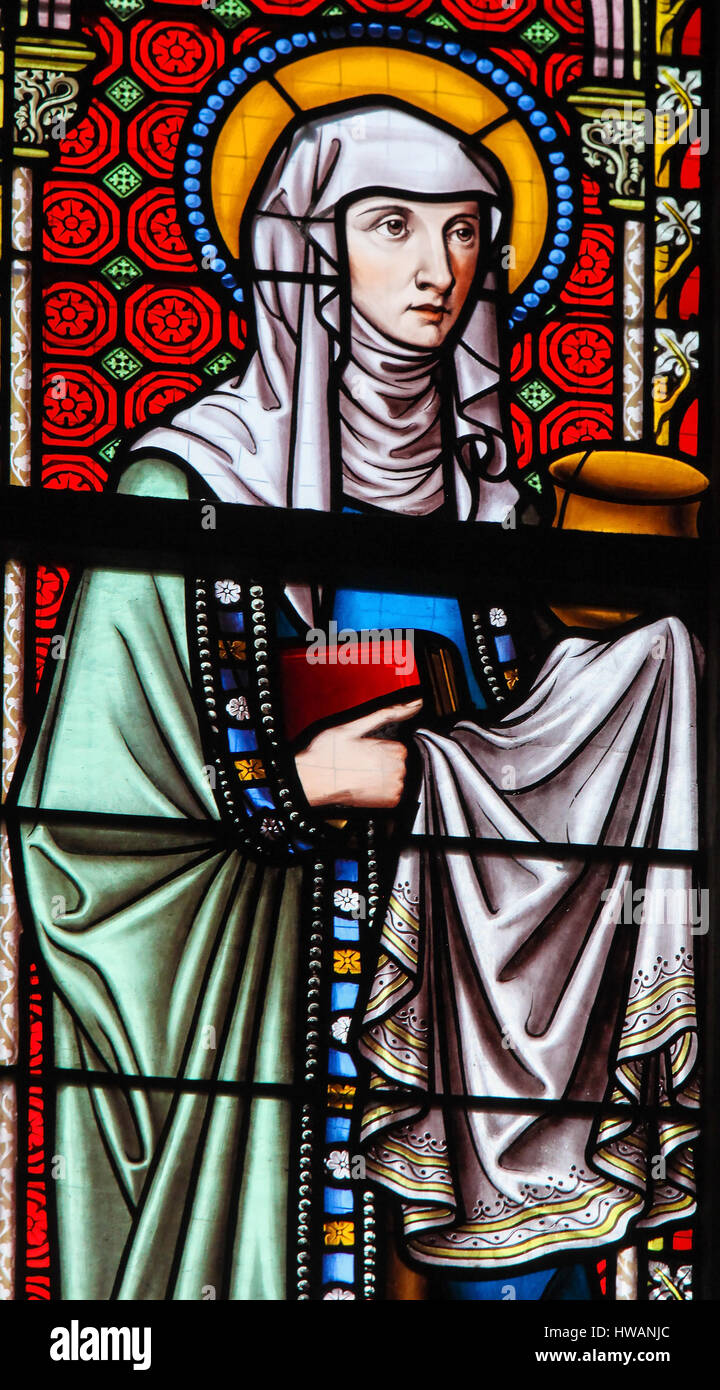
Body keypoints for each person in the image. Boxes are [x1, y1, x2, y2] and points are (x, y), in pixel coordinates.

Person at [14, 104, 700, 1300]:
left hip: (488, 1038)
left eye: (468, 232)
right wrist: (298, 789)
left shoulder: (508, 509)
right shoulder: (183, 488)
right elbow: (81, 825)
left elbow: (542, 760)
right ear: (306, 249)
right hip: (279, 1016)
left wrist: (643, 667)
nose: (438, 271)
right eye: (393, 227)